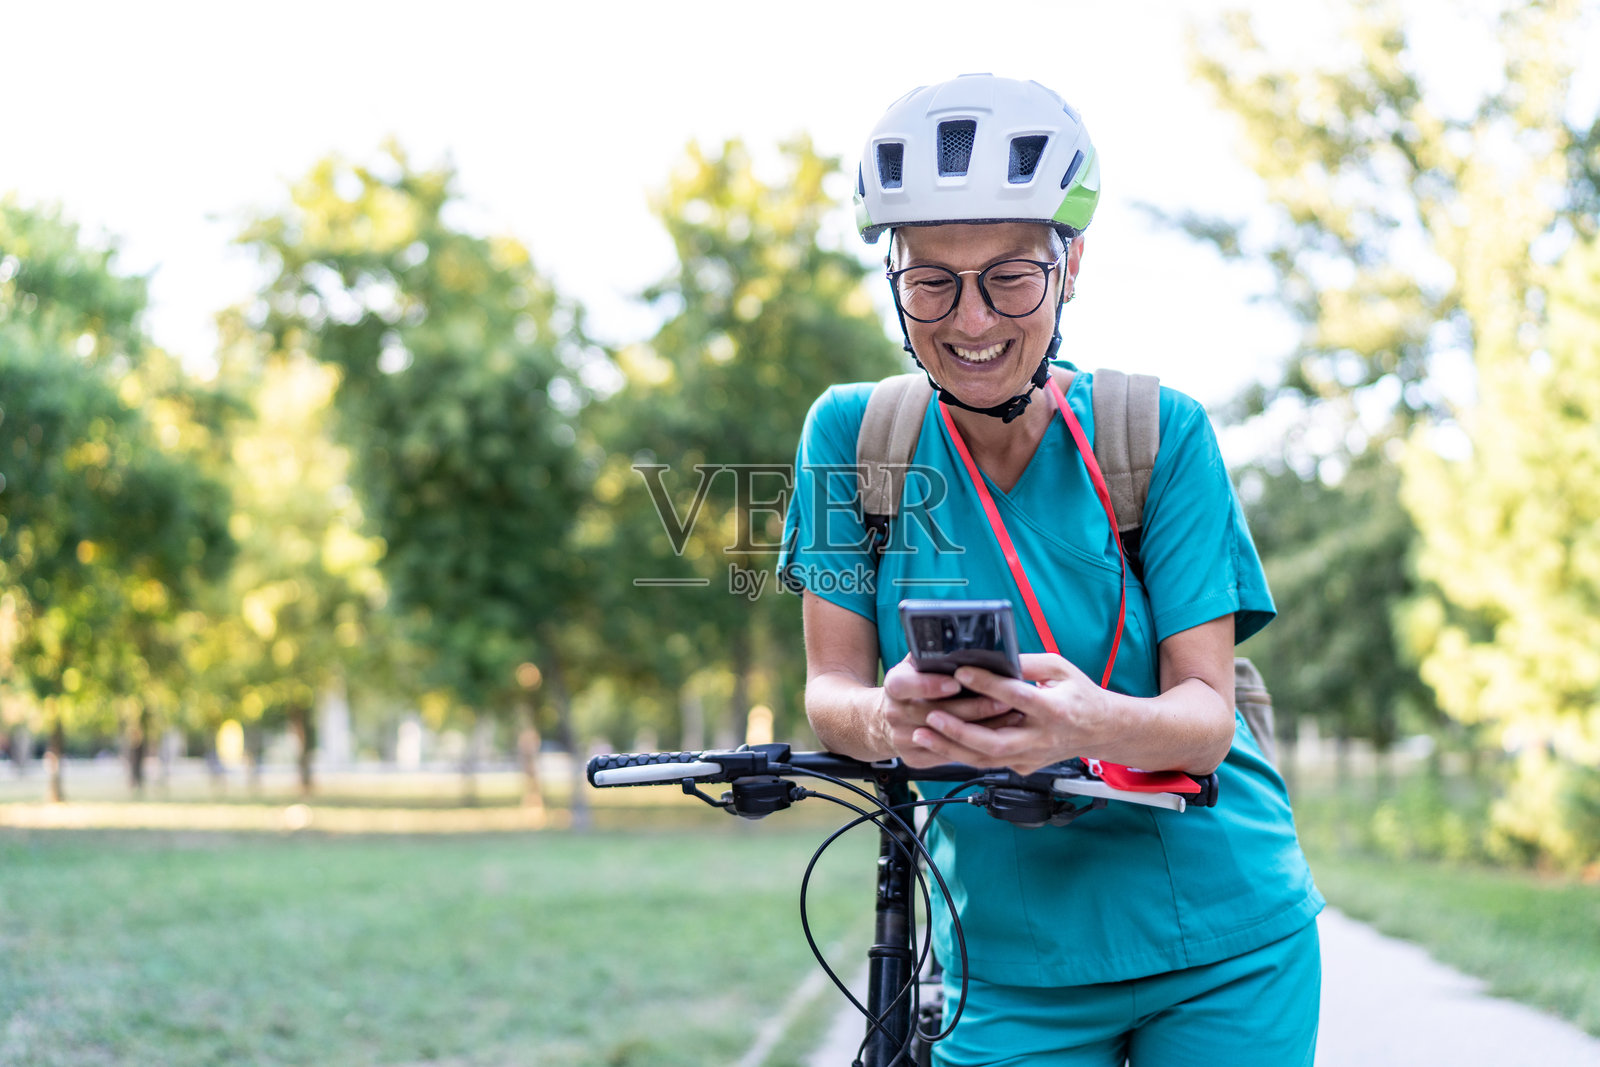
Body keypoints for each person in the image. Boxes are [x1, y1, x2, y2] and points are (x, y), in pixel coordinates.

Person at [778, 74, 1323, 1066]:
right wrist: (888, 720)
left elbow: (1204, 721)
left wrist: (1088, 719)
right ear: (894, 276)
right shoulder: (852, 440)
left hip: (1225, 938)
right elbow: (830, 691)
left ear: (1070, 265)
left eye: (1010, 276)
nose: (971, 319)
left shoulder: (1157, 435)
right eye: (930, 279)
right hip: (1008, 961)